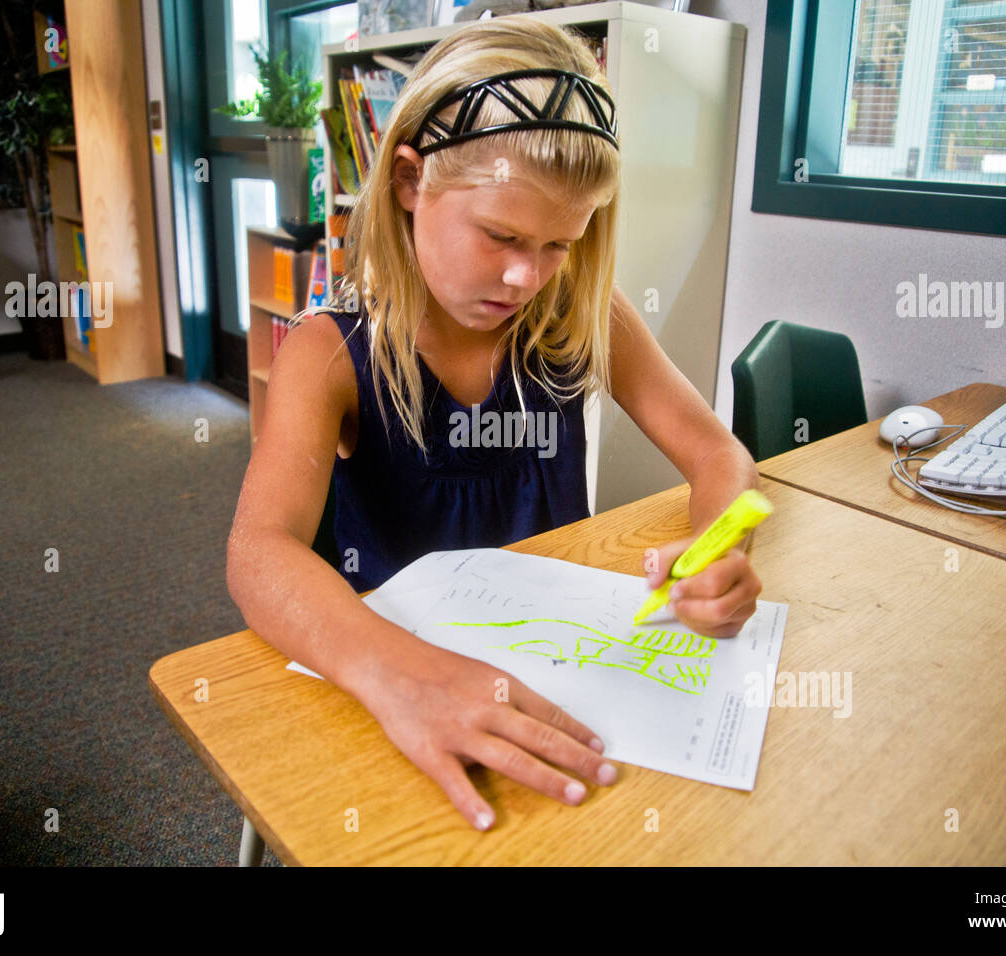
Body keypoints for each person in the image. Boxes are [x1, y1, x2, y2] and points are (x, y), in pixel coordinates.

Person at [227, 17, 761, 832]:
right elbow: (258, 553)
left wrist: (719, 548)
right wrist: (404, 676)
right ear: (409, 180)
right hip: (389, 690)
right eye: (500, 236)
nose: (526, 276)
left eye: (559, 243)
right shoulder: (327, 352)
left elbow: (718, 455)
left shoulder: (583, 313)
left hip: (565, 680)